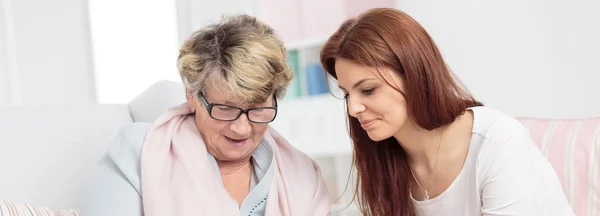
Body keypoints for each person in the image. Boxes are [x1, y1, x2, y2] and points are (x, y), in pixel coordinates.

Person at [320, 8, 574, 216]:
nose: (353, 109)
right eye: (346, 94)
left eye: (368, 90)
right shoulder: (385, 159)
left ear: (414, 75)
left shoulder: (499, 142)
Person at [81, 14, 330, 216]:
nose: (241, 128)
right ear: (192, 96)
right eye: (226, 109)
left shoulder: (303, 175)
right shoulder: (137, 152)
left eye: (256, 109)